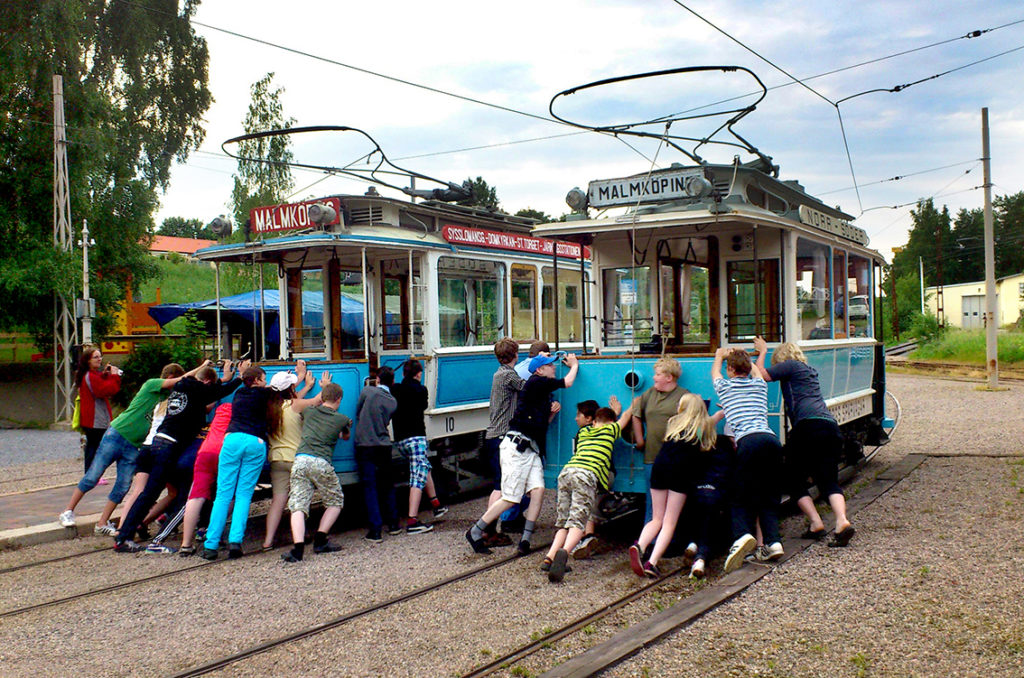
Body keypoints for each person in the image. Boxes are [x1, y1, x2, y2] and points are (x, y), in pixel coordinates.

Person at [113, 360, 244, 552]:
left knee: (155, 492)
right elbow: (218, 393)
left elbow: (209, 394)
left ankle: (133, 532)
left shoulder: (183, 387)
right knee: (153, 493)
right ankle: (125, 538)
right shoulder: (197, 390)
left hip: (158, 442)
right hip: (170, 446)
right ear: (206, 382)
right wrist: (239, 377)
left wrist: (223, 378)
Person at [58, 360, 201, 530]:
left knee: (123, 485)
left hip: (134, 444)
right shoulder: (152, 384)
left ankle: (102, 523)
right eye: (176, 381)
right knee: (93, 475)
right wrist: (202, 367)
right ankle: (68, 511)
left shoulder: (168, 398)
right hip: (118, 434)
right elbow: (181, 380)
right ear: (170, 378)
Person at [466, 352, 579, 556]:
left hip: (530, 449)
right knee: (510, 497)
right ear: (539, 370)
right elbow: (569, 382)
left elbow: (541, 426)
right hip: (516, 447)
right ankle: (475, 530)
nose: (554, 368)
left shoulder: (542, 393)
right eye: (549, 365)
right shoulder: (536, 382)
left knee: (538, 490)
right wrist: (575, 365)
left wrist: (551, 413)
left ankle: (525, 540)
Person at [753, 337, 855, 547]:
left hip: (808, 428)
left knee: (792, 479)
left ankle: (816, 522)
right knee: (828, 480)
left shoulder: (790, 365)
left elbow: (760, 375)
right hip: (829, 427)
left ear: (781, 359)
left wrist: (762, 352)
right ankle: (842, 521)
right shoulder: (808, 371)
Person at [628, 394, 719, 579]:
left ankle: (640, 545)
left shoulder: (673, 423)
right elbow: (715, 418)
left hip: (659, 469)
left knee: (656, 518)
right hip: (680, 474)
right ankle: (651, 563)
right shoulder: (702, 426)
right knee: (669, 522)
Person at [711, 347, 784, 573]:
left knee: (740, 496)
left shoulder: (725, 387)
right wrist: (747, 356)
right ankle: (773, 543)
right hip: (771, 441)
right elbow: (755, 371)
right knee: (768, 496)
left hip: (748, 442)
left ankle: (742, 537)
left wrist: (719, 356)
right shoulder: (759, 385)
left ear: (730, 369)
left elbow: (715, 373)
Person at [543, 397, 632, 583]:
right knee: (578, 522)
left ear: (593, 422)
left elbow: (602, 422)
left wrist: (609, 414)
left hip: (567, 472)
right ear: (610, 422)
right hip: (586, 475)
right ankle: (564, 554)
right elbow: (626, 418)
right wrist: (627, 406)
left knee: (564, 522)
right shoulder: (610, 430)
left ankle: (549, 557)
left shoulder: (583, 432)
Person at [201, 364, 276, 560]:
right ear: (258, 380)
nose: (266, 381)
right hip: (255, 441)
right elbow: (279, 390)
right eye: (264, 377)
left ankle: (210, 545)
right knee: (243, 495)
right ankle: (235, 542)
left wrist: (242, 372)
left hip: (232, 439)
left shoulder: (239, 394)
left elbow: (246, 382)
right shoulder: (265, 394)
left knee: (223, 495)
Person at [281, 381, 352, 562]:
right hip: (321, 463)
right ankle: (320, 540)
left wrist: (318, 394)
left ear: (322, 397)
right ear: (339, 399)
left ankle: (297, 550)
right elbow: (345, 437)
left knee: (298, 504)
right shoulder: (342, 419)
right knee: (335, 501)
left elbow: (295, 404)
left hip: (301, 460)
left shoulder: (309, 411)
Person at [263, 362, 320, 550]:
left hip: (276, 459)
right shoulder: (295, 405)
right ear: (290, 389)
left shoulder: (270, 407)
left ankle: (267, 541)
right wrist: (323, 386)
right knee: (300, 500)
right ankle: (300, 536)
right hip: (295, 458)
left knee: (278, 501)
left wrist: (305, 386)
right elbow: (317, 401)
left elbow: (293, 401)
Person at [391, 359, 448, 534]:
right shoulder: (421, 390)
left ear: (403, 374)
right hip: (416, 438)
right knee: (417, 477)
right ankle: (412, 521)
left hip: (400, 440)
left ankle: (436, 504)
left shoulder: (396, 389)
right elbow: (423, 406)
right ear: (419, 374)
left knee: (424, 467)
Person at [481, 337, 526, 547]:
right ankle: (487, 529)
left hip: (493, 435)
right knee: (500, 486)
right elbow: (529, 388)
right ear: (515, 355)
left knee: (500, 484)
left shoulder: (499, 374)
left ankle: (489, 528)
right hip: (501, 437)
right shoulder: (509, 376)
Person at [631, 358, 688, 522]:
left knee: (674, 504)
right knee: (652, 503)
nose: (654, 377)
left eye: (657, 374)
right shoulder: (650, 393)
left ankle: (671, 541)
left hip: (675, 459)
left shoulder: (684, 396)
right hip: (651, 456)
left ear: (669, 377)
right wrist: (640, 440)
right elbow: (636, 414)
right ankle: (650, 542)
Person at [354, 365, 399, 543]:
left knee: (370, 487)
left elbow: (358, 412)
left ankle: (375, 530)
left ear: (377, 379)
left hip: (365, 444)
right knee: (388, 485)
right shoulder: (393, 402)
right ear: (392, 382)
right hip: (384, 445)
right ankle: (394, 524)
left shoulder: (367, 391)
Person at [74, 347, 122, 476]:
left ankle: (92, 473)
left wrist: (105, 375)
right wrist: (114, 377)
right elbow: (104, 390)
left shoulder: (91, 374)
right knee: (96, 447)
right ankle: (92, 474)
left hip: (95, 418)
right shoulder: (89, 375)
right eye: (95, 357)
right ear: (88, 361)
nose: (99, 359)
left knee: (94, 446)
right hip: (95, 419)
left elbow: (100, 382)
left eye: (100, 356)